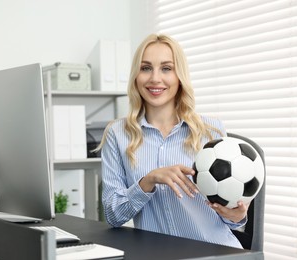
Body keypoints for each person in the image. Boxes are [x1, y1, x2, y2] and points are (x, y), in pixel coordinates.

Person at [97, 33, 248, 248]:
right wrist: (147, 181)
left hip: (215, 252)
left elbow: (230, 219)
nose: (155, 78)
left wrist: (236, 215)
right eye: (146, 68)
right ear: (136, 76)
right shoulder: (118, 134)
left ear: (179, 76)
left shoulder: (210, 132)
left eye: (166, 68)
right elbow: (113, 215)